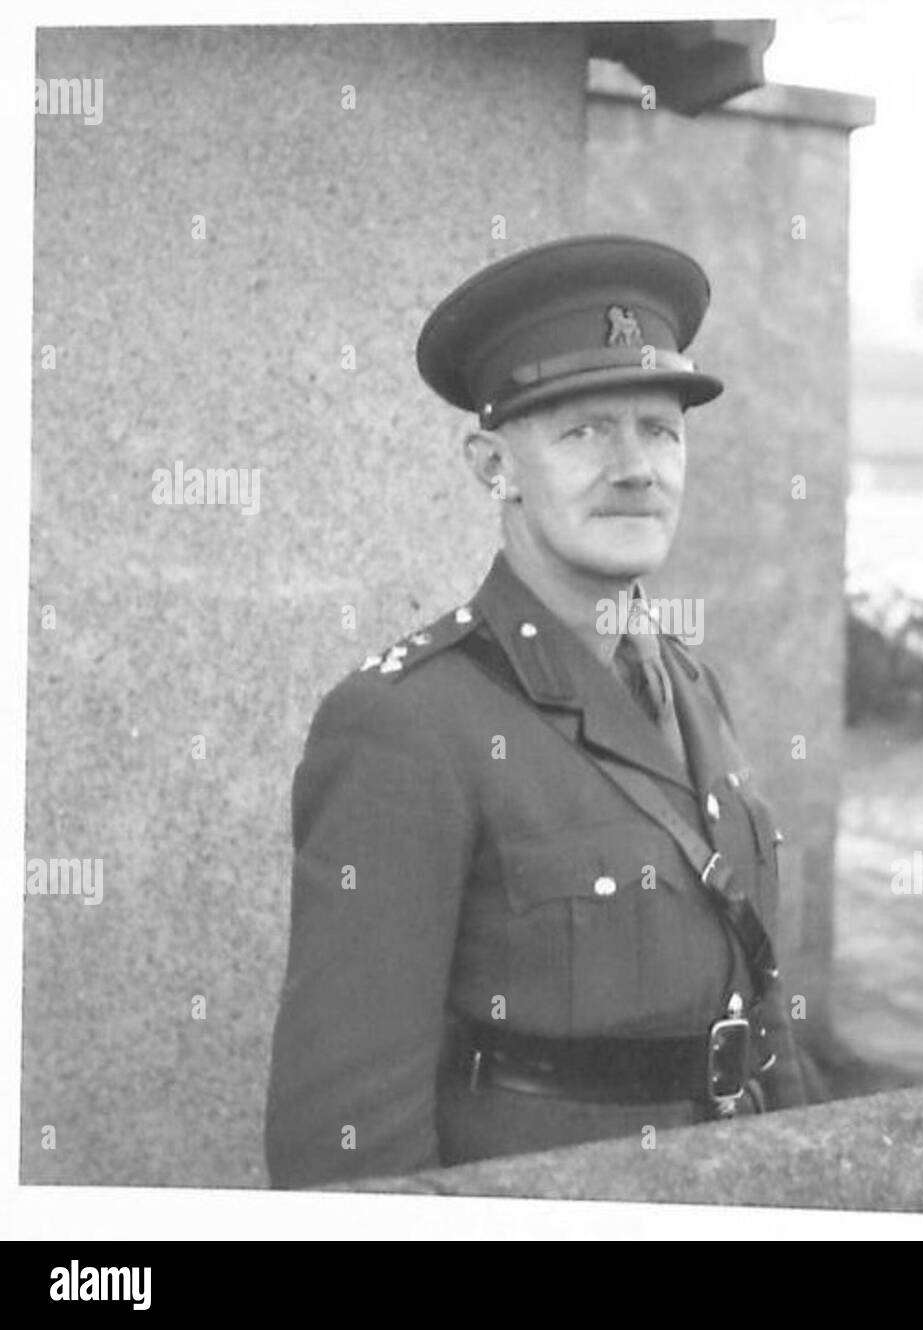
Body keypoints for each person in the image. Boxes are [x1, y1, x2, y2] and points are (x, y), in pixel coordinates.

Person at [265, 234, 809, 1189]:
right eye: (586, 431)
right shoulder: (406, 726)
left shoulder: (692, 688)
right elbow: (345, 1138)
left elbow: (758, 1010)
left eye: (660, 429)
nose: (638, 468)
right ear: (492, 466)